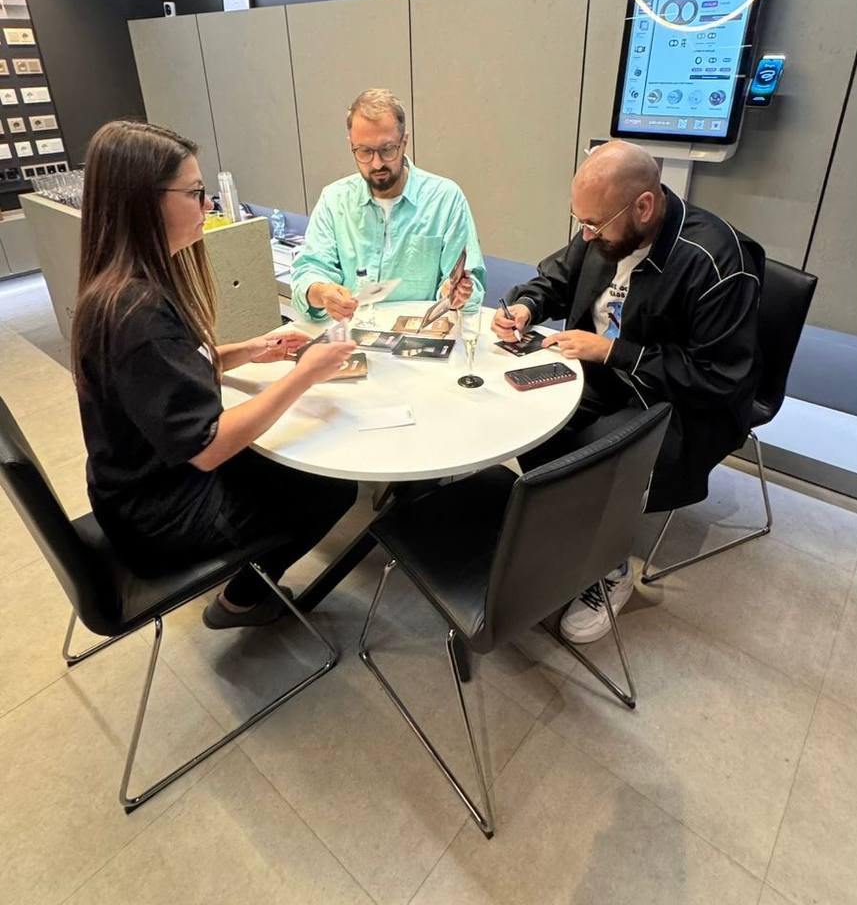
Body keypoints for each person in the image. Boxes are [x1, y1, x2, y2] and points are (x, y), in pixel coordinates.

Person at [71, 120, 358, 629]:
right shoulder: (138, 315)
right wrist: (304, 375)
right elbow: (207, 446)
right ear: (145, 201)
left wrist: (248, 350)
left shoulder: (122, 291)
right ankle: (241, 601)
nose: (208, 206)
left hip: (136, 492)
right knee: (331, 489)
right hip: (161, 516)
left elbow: (163, 377)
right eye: (195, 193)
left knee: (293, 463)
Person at [492, 139, 764, 644]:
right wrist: (527, 305)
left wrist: (615, 352)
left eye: (594, 224)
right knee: (522, 411)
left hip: (677, 405)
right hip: (601, 373)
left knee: (594, 459)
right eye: (580, 222)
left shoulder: (715, 261)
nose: (586, 235)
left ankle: (608, 565)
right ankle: (564, 530)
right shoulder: (604, 227)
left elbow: (720, 379)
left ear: (643, 206)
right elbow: (556, 277)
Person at [290, 88, 486, 322]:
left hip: (419, 335)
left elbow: (470, 285)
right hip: (352, 334)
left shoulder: (444, 199)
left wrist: (454, 295)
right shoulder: (334, 200)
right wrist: (321, 292)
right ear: (351, 145)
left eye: (387, 150)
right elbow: (308, 270)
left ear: (404, 142)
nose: (377, 164)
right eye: (364, 151)